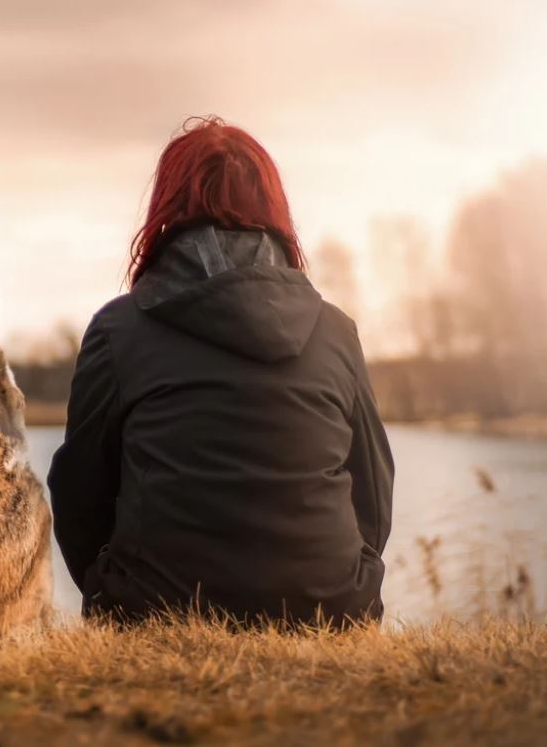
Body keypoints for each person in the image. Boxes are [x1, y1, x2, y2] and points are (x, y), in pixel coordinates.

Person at [47, 116, 394, 627]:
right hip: (330, 611)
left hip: (155, 611)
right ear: (273, 209)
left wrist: (111, 589)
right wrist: (345, 581)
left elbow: (79, 493)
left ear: (167, 207)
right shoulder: (335, 330)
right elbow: (373, 492)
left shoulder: (119, 330)